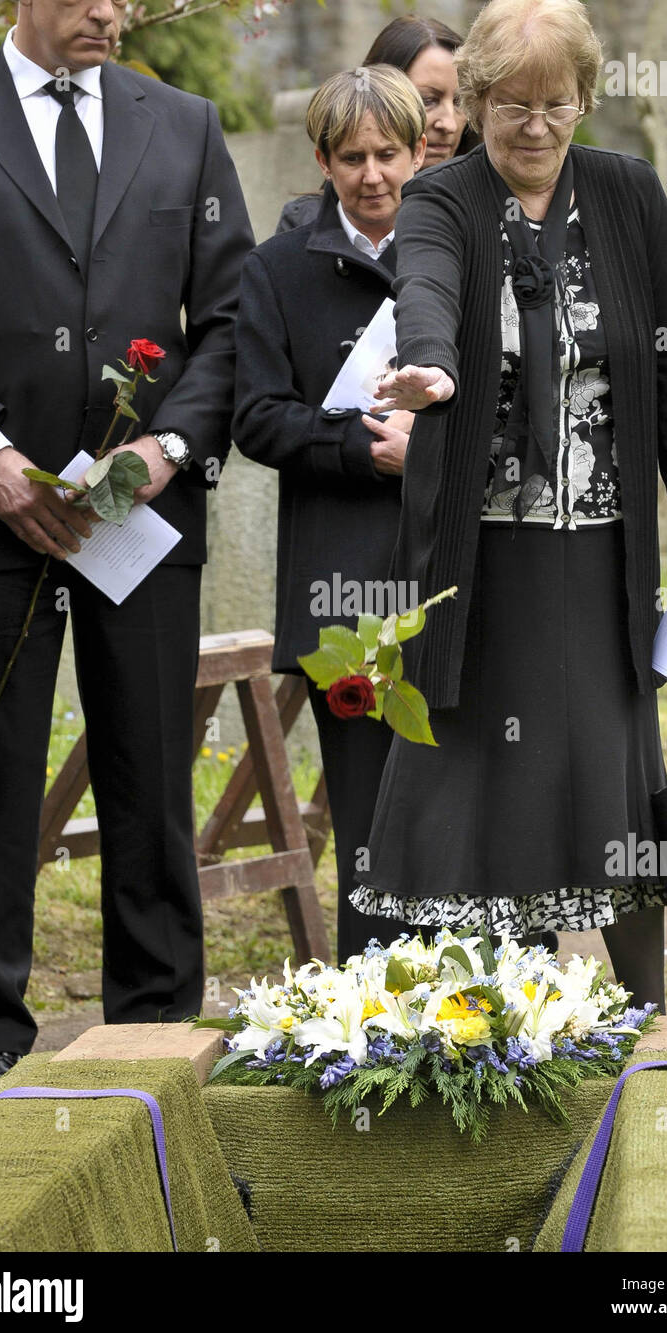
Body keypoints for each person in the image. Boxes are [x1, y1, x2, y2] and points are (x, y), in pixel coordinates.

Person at [349, 0, 667, 1010]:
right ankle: (494, 1024)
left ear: (585, 100)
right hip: (480, 553)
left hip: (598, 546)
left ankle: (647, 1015)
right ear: (474, 100)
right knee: (481, 780)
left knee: (609, 775)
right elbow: (425, 289)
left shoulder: (628, 195)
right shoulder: (443, 200)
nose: (534, 126)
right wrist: (429, 368)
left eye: (555, 103)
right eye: (512, 104)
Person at [0, 0, 254, 1113]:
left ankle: (155, 1045)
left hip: (142, 518)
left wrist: (160, 452)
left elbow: (230, 323)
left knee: (150, 772)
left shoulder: (187, 129)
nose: (108, 12)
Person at [233, 66, 428, 963]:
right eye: (352, 157)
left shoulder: (458, 255)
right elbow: (257, 417)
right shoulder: (276, 270)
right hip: (341, 593)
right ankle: (375, 1028)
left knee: (466, 810)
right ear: (322, 160)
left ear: (421, 150)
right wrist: (356, 445)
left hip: (453, 574)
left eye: (389, 153)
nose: (373, 175)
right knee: (370, 825)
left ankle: (495, 1023)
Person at [276, 14, 474, 234]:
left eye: (460, 101)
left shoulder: (491, 212)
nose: (449, 124)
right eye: (427, 100)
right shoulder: (305, 225)